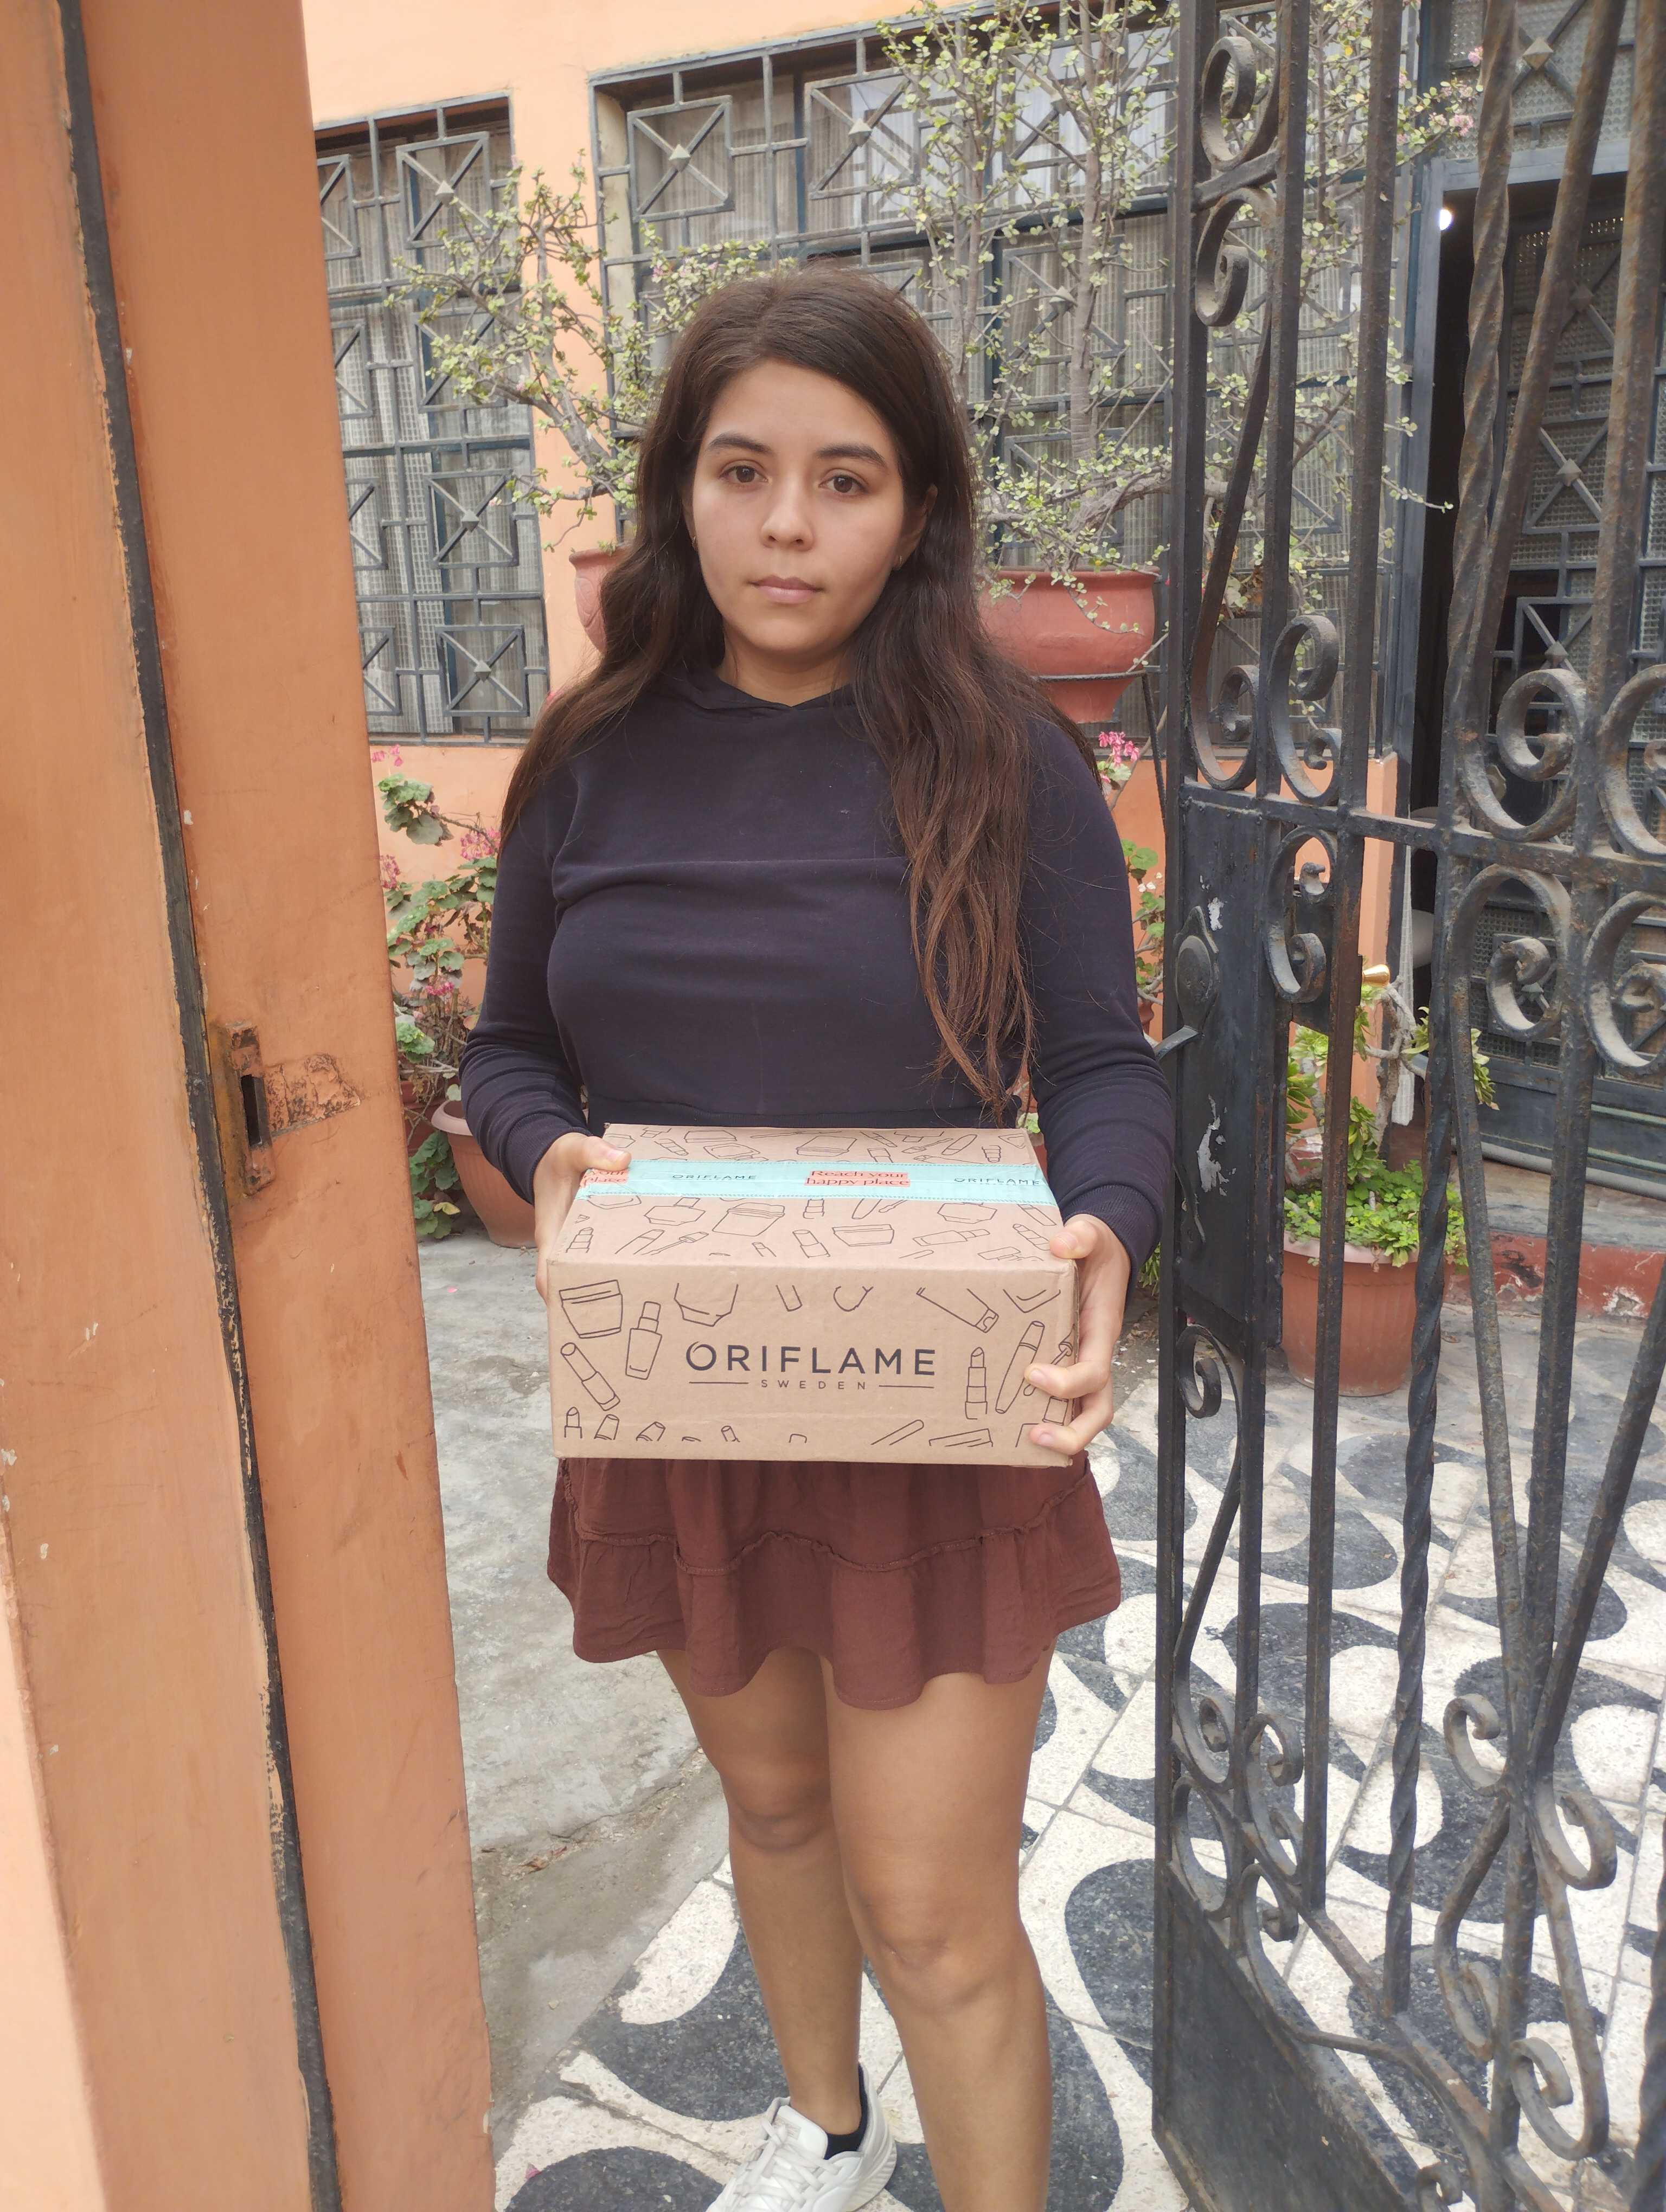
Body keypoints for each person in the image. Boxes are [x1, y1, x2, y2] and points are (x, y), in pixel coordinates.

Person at [461, 265, 1171, 2212]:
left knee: (933, 1911)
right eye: (743, 470)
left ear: (917, 509)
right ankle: (831, 2129)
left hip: (932, 1405)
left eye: (845, 480)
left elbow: (1102, 1061)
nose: (788, 526)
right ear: (680, 490)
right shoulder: (591, 757)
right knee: (772, 1809)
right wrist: (548, 1153)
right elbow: (507, 1050)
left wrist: (1107, 1230)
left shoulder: (1003, 755)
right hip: (687, 1394)